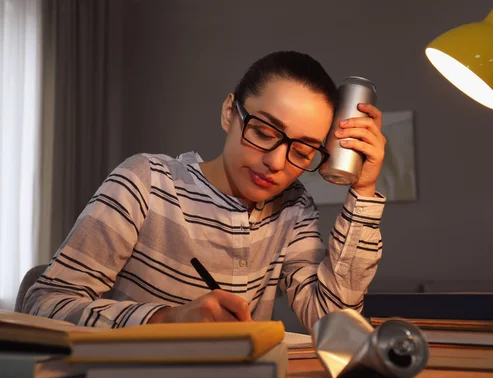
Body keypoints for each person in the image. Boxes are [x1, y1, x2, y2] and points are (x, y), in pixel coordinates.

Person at [23, 50, 387, 331]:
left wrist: (365, 192)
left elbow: (332, 322)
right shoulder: (146, 182)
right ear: (230, 113)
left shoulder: (293, 210)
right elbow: (44, 304)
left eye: (303, 151)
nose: (276, 163)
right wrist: (166, 320)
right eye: (263, 132)